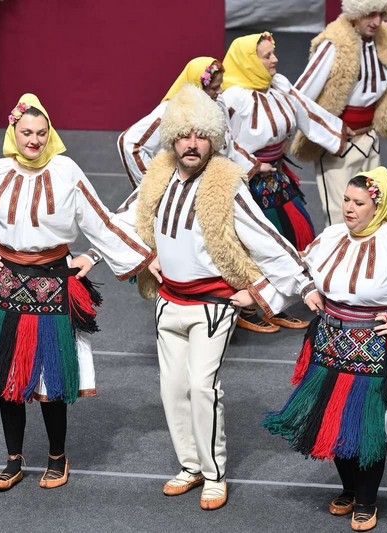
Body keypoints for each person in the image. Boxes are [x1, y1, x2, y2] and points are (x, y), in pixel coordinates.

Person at [113, 84, 323, 510]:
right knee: (172, 388)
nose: (192, 144)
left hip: (213, 304)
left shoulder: (225, 184)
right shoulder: (158, 175)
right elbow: (120, 220)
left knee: (202, 385)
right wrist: (140, 258)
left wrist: (289, 287)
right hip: (168, 301)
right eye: (185, 135)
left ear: (215, 138)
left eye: (202, 135)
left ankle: (213, 473)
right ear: (172, 137)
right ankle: (189, 466)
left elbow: (269, 241)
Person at [0, 93, 154, 491]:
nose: (34, 141)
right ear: (14, 132)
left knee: (51, 381)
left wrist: (116, 258)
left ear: (51, 134)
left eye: (41, 134)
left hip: (53, 282)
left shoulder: (67, 172)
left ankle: (57, 458)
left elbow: (102, 220)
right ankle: (13, 461)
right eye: (27, 133)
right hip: (4, 283)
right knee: (7, 380)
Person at [263, 167, 387, 532]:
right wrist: (306, 290)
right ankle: (348, 488)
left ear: (376, 207)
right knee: (332, 420)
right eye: (346, 199)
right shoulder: (332, 236)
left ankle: (366, 500)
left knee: (367, 426)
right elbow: (300, 264)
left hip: (376, 349)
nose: (349, 208)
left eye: (358, 203)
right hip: (330, 343)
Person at [220, 32, 348, 332]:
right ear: (249, 61)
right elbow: (221, 140)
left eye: (273, 53)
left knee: (292, 236)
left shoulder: (278, 85)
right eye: (267, 56)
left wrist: (337, 133)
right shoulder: (233, 98)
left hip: (277, 176)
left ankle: (275, 302)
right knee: (254, 245)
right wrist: (253, 164)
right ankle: (247, 308)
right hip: (247, 182)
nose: (275, 59)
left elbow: (306, 110)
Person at [292, 0, 387, 226]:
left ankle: (367, 262)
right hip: (339, 145)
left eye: (381, 14)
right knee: (340, 218)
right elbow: (300, 96)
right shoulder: (334, 45)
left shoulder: (386, 43)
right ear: (356, 12)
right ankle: (338, 262)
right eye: (370, 14)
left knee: (375, 213)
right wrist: (329, 133)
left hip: (370, 140)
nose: (376, 21)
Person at [118, 57, 258, 188]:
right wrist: (153, 188)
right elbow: (130, 143)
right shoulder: (173, 110)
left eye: (220, 85)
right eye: (214, 88)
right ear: (198, 87)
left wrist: (253, 166)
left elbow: (228, 145)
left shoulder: (218, 104)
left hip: (212, 187)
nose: (220, 91)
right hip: (182, 187)